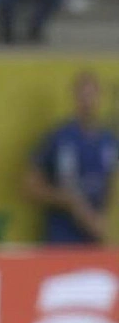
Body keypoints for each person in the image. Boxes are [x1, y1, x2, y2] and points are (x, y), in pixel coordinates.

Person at [23, 69, 118, 244]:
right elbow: (30, 187)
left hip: (94, 240)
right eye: (83, 96)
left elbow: (109, 183)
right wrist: (68, 201)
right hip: (61, 240)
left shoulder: (109, 140)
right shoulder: (58, 137)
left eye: (92, 95)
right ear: (74, 97)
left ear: (100, 97)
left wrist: (101, 219)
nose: (87, 102)